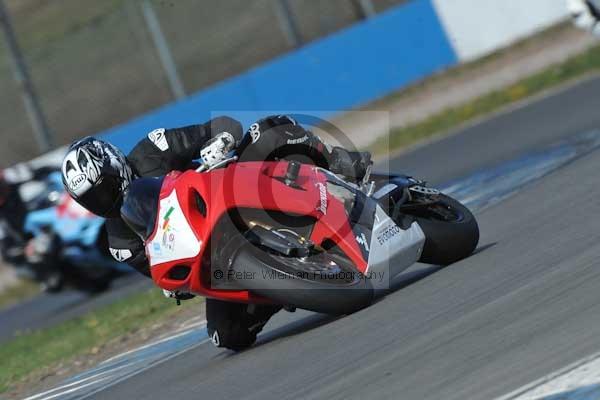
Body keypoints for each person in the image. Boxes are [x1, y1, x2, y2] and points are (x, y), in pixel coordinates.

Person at [61, 115, 371, 350]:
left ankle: (339, 163)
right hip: (216, 253)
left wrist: (219, 141)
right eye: (91, 200)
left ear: (115, 163)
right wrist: (174, 285)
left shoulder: (152, 150)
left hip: (235, 188)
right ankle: (286, 286)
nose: (104, 201)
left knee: (268, 130)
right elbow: (159, 270)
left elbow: (222, 125)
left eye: (103, 190)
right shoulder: (120, 242)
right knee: (225, 334)